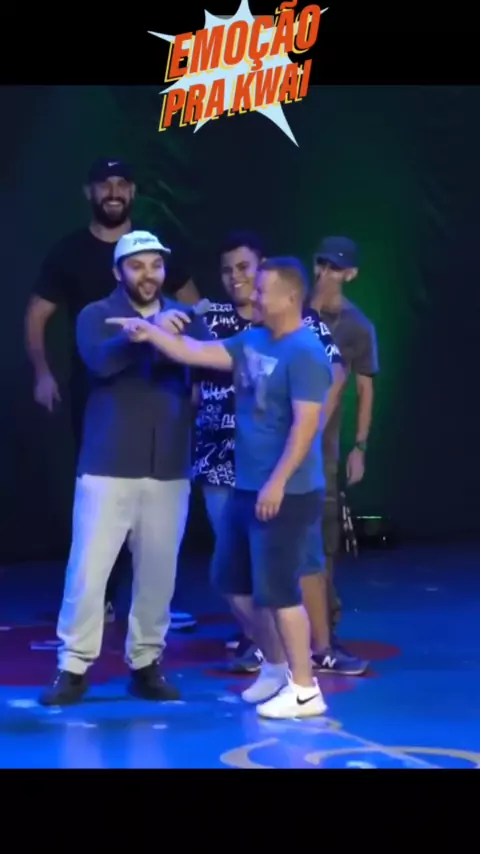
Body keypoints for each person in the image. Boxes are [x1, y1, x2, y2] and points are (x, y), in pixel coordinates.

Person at [108, 256, 333, 719]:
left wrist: (276, 483)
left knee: (280, 590)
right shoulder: (252, 340)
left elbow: (306, 426)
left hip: (286, 492)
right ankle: (274, 667)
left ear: (290, 297)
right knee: (232, 581)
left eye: (263, 290)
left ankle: (305, 688)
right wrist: (149, 332)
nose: (253, 295)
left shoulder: (306, 352)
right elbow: (195, 351)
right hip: (246, 485)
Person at [24, 157, 199, 629]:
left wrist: (199, 369)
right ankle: (92, 618)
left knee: (159, 527)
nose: (114, 192)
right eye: (106, 184)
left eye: (123, 183)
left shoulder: (159, 256)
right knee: (102, 514)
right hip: (102, 404)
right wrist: (42, 372)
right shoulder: (78, 274)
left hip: (165, 419)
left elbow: (200, 315)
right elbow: (40, 315)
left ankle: (150, 624)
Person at [39, 230, 210, 707]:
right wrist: (149, 334)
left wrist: (175, 333)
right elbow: (101, 361)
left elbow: (208, 361)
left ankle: (147, 663)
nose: (149, 275)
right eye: (137, 265)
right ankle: (73, 666)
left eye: (156, 265)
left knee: (158, 572)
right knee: (89, 572)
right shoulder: (97, 314)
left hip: (170, 463)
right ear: (118, 271)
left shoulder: (184, 317)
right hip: (108, 463)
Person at [194, 231, 346, 675]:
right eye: (227, 270)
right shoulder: (215, 319)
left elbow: (331, 378)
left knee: (299, 564)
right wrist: (155, 327)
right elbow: (191, 354)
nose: (236, 277)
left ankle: (317, 654)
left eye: (245, 268)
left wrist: (306, 436)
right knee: (238, 571)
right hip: (222, 461)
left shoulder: (301, 328)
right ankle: (268, 654)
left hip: (282, 468)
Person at [301, 236, 379, 676]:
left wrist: (359, 446)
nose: (326, 273)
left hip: (323, 451)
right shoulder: (295, 310)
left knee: (323, 542)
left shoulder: (357, 326)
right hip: (281, 444)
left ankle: (324, 634)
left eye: (335, 267)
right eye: (322, 264)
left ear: (350, 274)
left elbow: (365, 388)